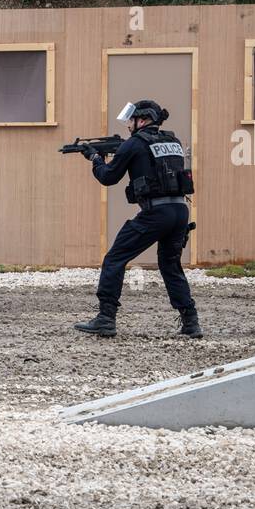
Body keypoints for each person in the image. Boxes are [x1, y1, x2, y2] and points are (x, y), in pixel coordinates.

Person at [74, 99, 203, 339]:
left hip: (156, 213)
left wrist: (95, 159)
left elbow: (109, 177)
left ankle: (105, 318)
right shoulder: (172, 141)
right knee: (170, 266)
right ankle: (191, 322)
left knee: (115, 258)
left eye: (131, 120)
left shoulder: (134, 143)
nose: (129, 125)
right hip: (180, 211)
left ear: (142, 120)